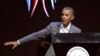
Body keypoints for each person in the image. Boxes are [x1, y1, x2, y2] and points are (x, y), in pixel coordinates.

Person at [4, 6, 81, 56]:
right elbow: (37, 35)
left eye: (66, 15)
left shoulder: (77, 31)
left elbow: (77, 49)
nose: (63, 17)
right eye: (62, 14)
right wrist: (18, 42)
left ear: (72, 17)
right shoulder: (53, 26)